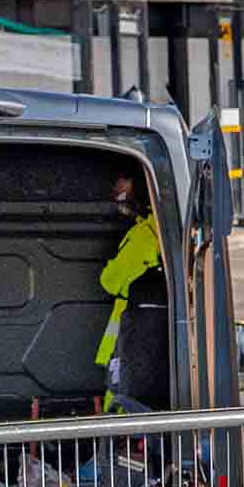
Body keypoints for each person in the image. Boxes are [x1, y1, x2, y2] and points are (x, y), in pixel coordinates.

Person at [94, 171, 164, 412]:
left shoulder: (144, 236)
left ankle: (113, 445)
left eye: (122, 184)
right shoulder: (160, 230)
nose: (117, 191)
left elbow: (110, 281)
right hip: (151, 337)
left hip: (131, 335)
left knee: (118, 396)